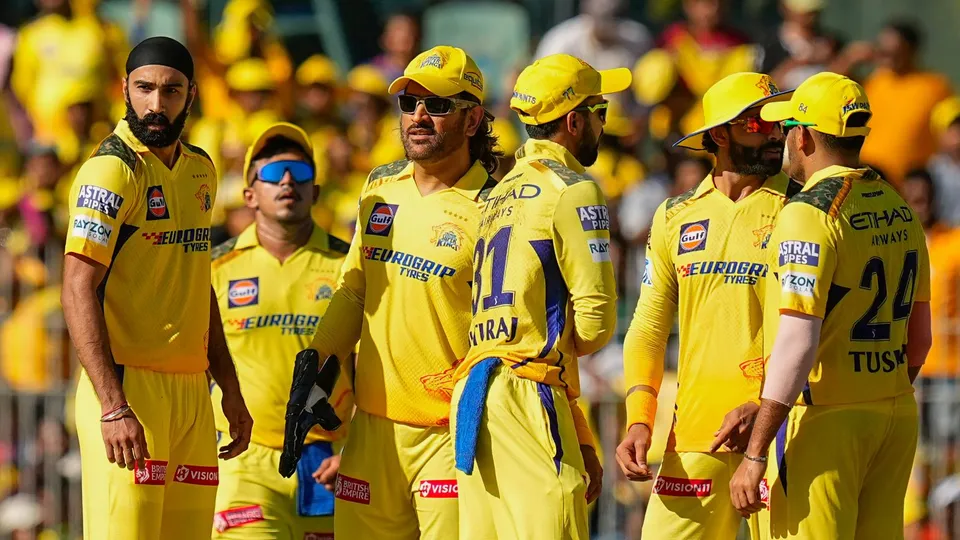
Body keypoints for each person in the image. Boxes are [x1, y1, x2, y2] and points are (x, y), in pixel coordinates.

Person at [297, 45, 500, 539]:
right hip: (371, 433)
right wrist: (315, 365)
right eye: (409, 103)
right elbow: (354, 290)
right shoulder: (380, 185)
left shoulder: (497, 207)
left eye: (438, 105)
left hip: (453, 437)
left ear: (473, 120)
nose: (419, 117)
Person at [59, 37, 253, 539]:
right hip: (129, 390)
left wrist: (229, 387)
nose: (156, 104)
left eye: (171, 90)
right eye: (144, 88)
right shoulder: (112, 170)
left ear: (192, 94)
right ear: (124, 88)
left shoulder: (201, 169)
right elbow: (76, 288)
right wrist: (112, 406)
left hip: (192, 392)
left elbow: (196, 283)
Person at [730, 72, 932, 539]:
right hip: (894, 412)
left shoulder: (808, 212)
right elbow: (920, 339)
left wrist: (756, 452)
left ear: (802, 136)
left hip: (824, 420)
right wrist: (877, 392)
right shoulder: (900, 206)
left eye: (787, 129)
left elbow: (797, 342)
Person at [450, 53, 628, 540]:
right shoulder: (574, 189)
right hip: (528, 391)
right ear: (574, 121)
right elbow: (595, 326)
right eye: (600, 110)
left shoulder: (496, 192)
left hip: (475, 393)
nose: (603, 123)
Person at [615, 72, 798, 539]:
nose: (775, 133)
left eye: (780, 121)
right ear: (719, 134)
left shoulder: (803, 208)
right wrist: (639, 418)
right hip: (697, 435)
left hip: (783, 433)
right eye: (757, 123)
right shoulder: (675, 215)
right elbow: (648, 325)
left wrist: (765, 407)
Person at [209, 122, 354, 538]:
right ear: (250, 195)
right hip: (244, 460)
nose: (288, 181)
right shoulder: (215, 268)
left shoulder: (351, 266)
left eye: (300, 172)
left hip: (331, 460)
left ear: (316, 191)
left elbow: (377, 364)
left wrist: (359, 448)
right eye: (273, 173)